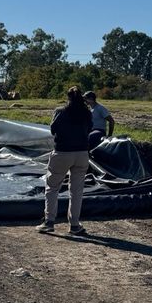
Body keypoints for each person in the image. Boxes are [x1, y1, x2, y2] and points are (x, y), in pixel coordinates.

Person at [37, 86, 92, 236]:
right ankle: (74, 225)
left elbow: (53, 130)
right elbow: (89, 129)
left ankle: (49, 222)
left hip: (62, 152)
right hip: (82, 153)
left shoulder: (60, 111)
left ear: (68, 97)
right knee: (76, 191)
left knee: (52, 188)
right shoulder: (86, 112)